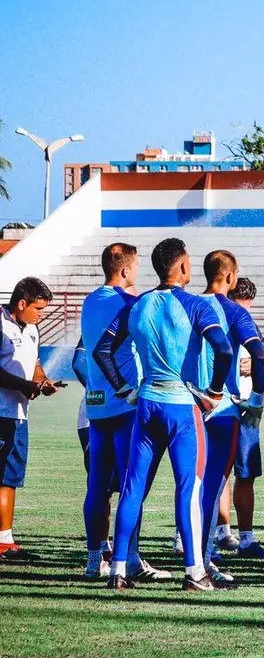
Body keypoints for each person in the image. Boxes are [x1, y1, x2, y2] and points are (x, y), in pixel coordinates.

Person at [94, 239, 235, 591]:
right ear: (183, 267)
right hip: (182, 406)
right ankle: (195, 572)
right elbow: (224, 350)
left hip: (146, 405)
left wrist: (124, 389)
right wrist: (215, 392)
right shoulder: (194, 305)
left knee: (132, 488)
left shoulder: (138, 304)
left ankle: (118, 570)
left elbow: (102, 350)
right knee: (189, 489)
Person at [73, 244, 163, 580]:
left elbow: (84, 356)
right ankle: (130, 559)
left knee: (97, 485)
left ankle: (94, 559)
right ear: (125, 270)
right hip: (126, 406)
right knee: (131, 485)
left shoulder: (89, 301)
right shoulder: (129, 303)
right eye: (136, 266)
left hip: (96, 407)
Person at [194, 250, 264, 588]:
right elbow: (258, 355)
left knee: (189, 482)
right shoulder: (232, 310)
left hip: (185, 404)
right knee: (214, 484)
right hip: (222, 407)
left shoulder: (185, 304)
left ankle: (120, 561)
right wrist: (256, 400)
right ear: (231, 276)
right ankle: (202, 561)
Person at [0, 277, 64, 562]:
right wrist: (24, 386)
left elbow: (35, 367)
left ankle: (5, 541)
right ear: (22, 303)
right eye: (38, 309)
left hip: (19, 414)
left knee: (9, 478)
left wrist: (43, 383)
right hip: (1, 412)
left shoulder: (33, 330)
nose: (41, 315)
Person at [218, 277, 264, 559]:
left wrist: (255, 363)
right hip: (219, 407)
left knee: (246, 475)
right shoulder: (213, 320)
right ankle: (213, 534)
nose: (244, 314)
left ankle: (246, 539)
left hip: (246, 411)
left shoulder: (248, 324)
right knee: (214, 474)